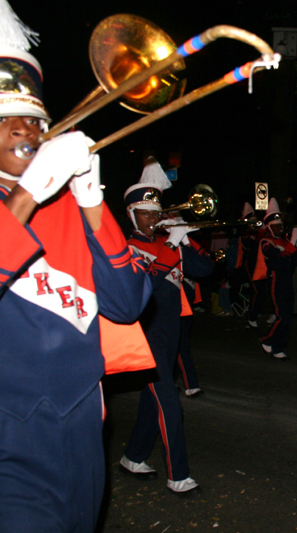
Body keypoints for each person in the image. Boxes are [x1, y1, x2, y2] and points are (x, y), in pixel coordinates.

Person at [0, 8, 151, 529]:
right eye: (6, 119)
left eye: (36, 120)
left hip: (83, 427)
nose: (26, 129)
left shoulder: (65, 202)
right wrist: (25, 195)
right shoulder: (24, 197)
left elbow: (127, 303)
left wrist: (91, 201)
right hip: (8, 436)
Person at [119, 159, 214, 494]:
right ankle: (179, 475)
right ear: (132, 214)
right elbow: (144, 286)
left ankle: (133, 457)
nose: (153, 218)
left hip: (171, 334)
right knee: (169, 403)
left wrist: (185, 240)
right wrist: (173, 246)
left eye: (156, 211)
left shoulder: (165, 243)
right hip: (146, 337)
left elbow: (204, 271)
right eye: (145, 212)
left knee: (153, 401)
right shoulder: (127, 248)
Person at [257, 197, 297, 359]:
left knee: (288, 316)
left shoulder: (284, 241)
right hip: (275, 280)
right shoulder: (265, 241)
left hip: (287, 280)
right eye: (276, 226)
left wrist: (296, 246)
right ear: (269, 227)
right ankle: (267, 339)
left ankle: (279, 346)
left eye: (281, 226)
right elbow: (279, 259)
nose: (279, 229)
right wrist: (292, 243)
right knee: (281, 314)